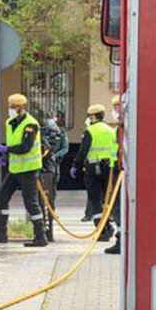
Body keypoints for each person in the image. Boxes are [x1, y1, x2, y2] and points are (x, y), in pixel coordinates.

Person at [0, 93, 47, 248]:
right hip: (14, 169)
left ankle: (40, 237)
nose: (10, 109)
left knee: (31, 203)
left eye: (13, 107)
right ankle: (1, 234)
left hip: (28, 169)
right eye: (10, 106)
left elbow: (25, 147)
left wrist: (7, 149)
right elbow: (13, 143)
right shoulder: (10, 122)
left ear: (21, 108)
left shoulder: (31, 124)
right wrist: (2, 155)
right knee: (1, 198)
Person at [71, 103, 117, 242]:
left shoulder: (90, 131)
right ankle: (108, 227)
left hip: (93, 169)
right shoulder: (111, 130)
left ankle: (102, 231)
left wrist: (75, 165)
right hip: (109, 168)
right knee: (106, 200)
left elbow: (83, 151)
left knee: (95, 201)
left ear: (92, 116)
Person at [39, 112, 69, 242]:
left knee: (51, 194)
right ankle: (43, 226)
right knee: (41, 196)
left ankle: (49, 222)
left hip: (54, 166)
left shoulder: (61, 132)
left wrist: (54, 156)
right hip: (41, 166)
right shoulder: (41, 132)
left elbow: (65, 148)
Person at [106, 94, 124, 255]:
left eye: (117, 107)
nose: (115, 110)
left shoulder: (125, 128)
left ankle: (122, 241)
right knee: (116, 206)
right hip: (117, 171)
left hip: (123, 173)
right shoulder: (118, 129)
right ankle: (121, 239)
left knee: (120, 206)